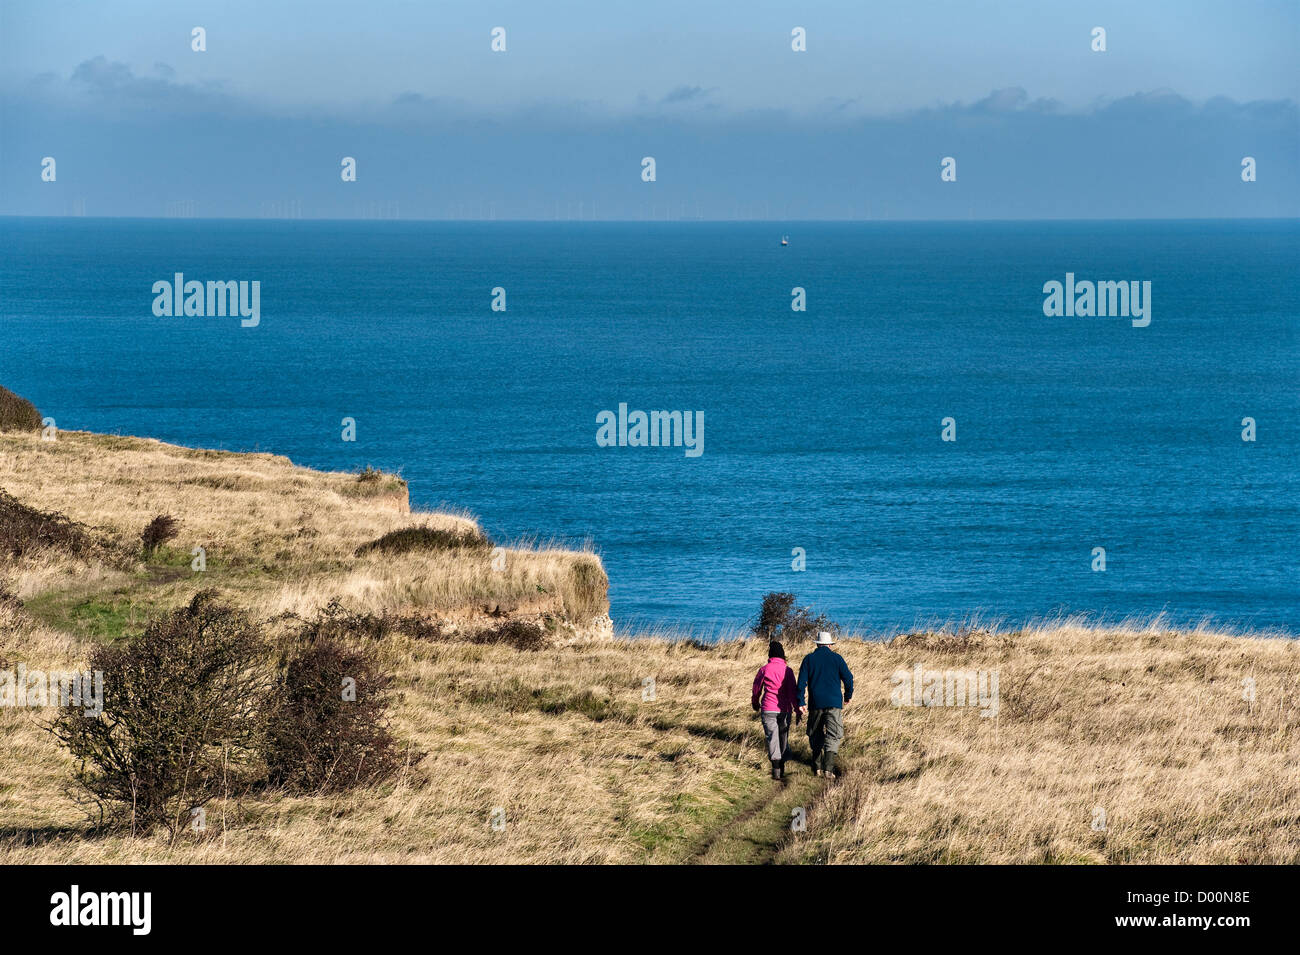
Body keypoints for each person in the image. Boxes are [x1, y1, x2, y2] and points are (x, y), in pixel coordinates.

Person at [796, 631, 854, 778]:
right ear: (829, 644)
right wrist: (848, 696)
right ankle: (828, 769)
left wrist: (801, 701)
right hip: (834, 703)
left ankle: (817, 767)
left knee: (815, 733)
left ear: (817, 643)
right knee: (834, 735)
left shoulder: (809, 659)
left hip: (816, 703)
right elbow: (848, 678)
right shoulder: (837, 658)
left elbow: (801, 683)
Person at [751, 640, 798, 779]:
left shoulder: (764, 669)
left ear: (770, 654)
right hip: (785, 709)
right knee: (783, 736)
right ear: (783, 655)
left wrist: (755, 702)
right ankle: (782, 762)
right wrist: (797, 708)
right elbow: (792, 692)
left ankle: (775, 766)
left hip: (768, 708)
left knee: (772, 737)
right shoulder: (788, 671)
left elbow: (756, 689)